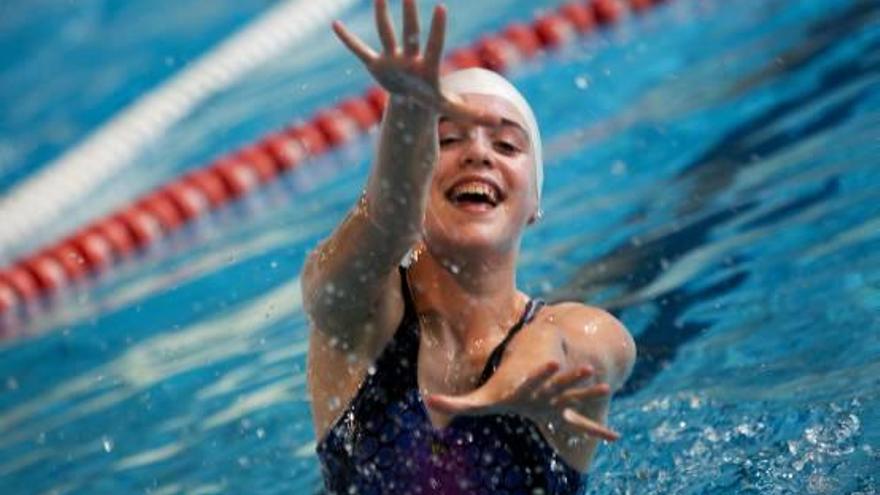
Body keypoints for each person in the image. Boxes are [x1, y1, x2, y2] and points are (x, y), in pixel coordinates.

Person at [302, 1, 636, 493]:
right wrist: (407, 118)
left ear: (534, 202)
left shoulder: (584, 332)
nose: (479, 153)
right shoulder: (359, 320)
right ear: (417, 176)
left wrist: (515, 386)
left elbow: (565, 348)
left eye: (506, 146)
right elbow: (384, 227)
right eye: (449, 139)